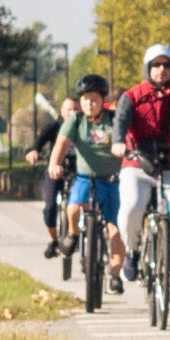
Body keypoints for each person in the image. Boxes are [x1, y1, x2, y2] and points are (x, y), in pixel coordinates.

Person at [116, 46, 170, 304]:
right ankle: (132, 251)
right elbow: (120, 123)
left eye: (166, 65)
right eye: (156, 65)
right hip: (138, 165)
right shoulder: (131, 97)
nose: (161, 69)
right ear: (147, 68)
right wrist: (118, 142)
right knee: (131, 207)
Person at [48, 76, 126, 288]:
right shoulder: (76, 120)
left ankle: (116, 274)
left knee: (115, 229)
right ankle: (73, 235)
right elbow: (62, 143)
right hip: (85, 178)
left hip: (111, 180)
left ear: (103, 100)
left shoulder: (114, 119)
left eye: (93, 100)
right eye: (84, 100)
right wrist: (54, 163)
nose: (88, 104)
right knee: (72, 209)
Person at [28, 91, 75, 259]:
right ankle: (53, 240)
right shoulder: (54, 126)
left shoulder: (82, 126)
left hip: (76, 172)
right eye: (68, 109)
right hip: (55, 171)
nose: (72, 112)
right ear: (61, 111)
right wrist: (34, 151)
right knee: (49, 208)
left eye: (75, 109)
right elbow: (38, 142)